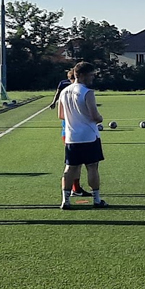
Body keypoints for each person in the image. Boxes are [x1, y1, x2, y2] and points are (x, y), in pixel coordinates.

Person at [57, 62, 107, 210]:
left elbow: (61, 115)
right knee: (92, 167)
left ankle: (65, 200)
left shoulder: (64, 92)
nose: (92, 77)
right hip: (89, 136)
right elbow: (95, 116)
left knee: (70, 168)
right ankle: (97, 200)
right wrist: (100, 118)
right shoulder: (87, 92)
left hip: (72, 137)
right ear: (83, 75)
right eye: (91, 75)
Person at [49, 69, 89, 197]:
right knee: (74, 164)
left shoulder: (67, 94)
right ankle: (74, 189)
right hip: (73, 132)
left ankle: (75, 189)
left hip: (69, 132)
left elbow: (61, 115)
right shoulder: (73, 93)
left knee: (75, 164)